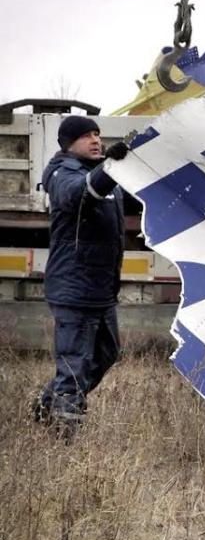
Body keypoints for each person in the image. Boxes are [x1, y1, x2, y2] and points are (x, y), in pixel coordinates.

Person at [32, 116, 130, 439]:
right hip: (74, 290)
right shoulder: (61, 174)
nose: (96, 140)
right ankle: (63, 439)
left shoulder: (102, 175)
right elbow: (80, 196)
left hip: (100, 290)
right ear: (68, 143)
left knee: (106, 353)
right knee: (74, 366)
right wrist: (109, 168)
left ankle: (46, 407)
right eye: (87, 135)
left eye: (98, 135)